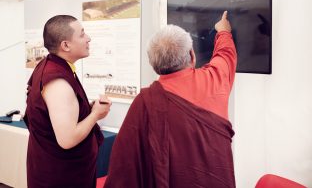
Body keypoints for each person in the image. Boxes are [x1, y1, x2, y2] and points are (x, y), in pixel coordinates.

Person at [104, 11, 237, 188]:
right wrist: (224, 31)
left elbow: (125, 162)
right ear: (192, 55)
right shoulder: (214, 80)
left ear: (154, 65)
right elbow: (225, 55)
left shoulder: (145, 101)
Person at [24, 15, 112, 188]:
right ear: (65, 45)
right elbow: (68, 139)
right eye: (82, 34)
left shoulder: (53, 66)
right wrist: (95, 115)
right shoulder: (58, 82)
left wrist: (87, 109)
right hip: (62, 177)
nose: (88, 38)